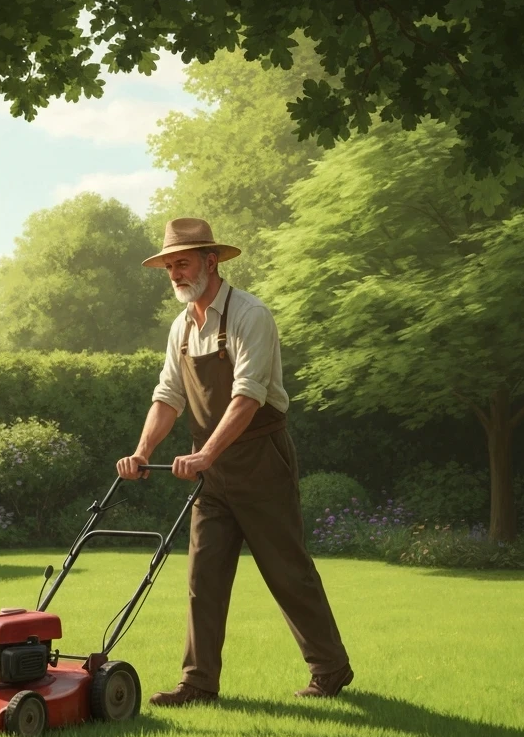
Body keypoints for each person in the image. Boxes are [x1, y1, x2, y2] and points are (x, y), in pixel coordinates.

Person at [116, 217, 353, 706]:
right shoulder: (182, 328)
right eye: (169, 266)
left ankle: (330, 669)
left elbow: (247, 396)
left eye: (183, 263)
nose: (175, 274)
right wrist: (143, 452)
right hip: (210, 471)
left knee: (287, 571)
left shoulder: (251, 315)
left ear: (211, 261)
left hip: (261, 459)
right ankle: (198, 682)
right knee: (202, 578)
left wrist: (206, 453)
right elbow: (168, 396)